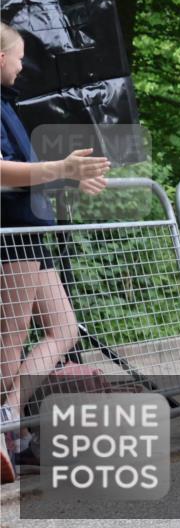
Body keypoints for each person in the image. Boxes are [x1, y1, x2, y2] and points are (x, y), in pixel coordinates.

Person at [1, 23, 110, 482]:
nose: (22, 65)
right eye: (18, 56)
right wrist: (61, 166)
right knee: (6, 353)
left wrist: (68, 176)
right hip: (12, 236)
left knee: (64, 328)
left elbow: (27, 172)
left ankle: (10, 419)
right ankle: (9, 426)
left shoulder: (7, 103)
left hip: (30, 232)